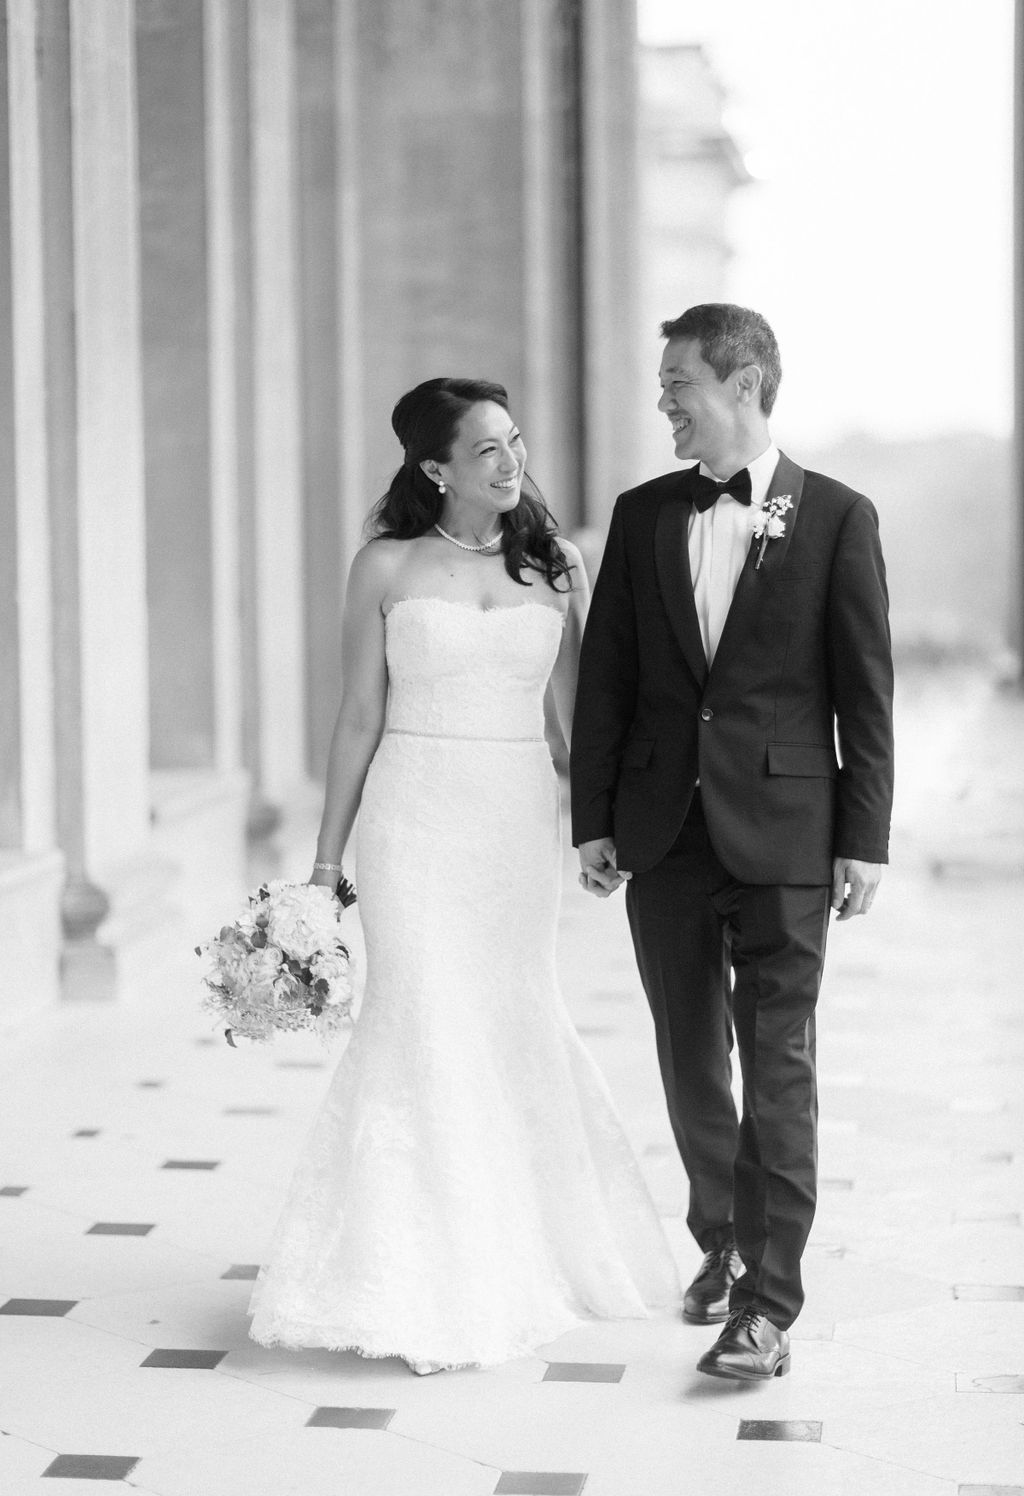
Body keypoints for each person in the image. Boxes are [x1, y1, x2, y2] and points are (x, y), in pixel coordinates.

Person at [248, 377, 680, 1373]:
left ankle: (520, 1245)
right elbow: (357, 716)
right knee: (422, 1021)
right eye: (486, 448)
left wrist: (596, 829)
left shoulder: (553, 565)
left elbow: (578, 723)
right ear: (434, 468)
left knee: (511, 1013)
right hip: (412, 819)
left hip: (513, 823)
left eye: (514, 440)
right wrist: (324, 864)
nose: (510, 460)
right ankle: (422, 1273)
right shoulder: (385, 567)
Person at [570, 304, 894, 1381]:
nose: (663, 401)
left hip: (789, 836)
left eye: (679, 384)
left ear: (744, 381)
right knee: (687, 1056)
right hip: (662, 834)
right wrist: (596, 821)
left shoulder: (838, 517)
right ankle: (722, 1236)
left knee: (780, 1064)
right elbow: (610, 678)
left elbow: (865, 691)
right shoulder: (643, 512)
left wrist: (865, 839)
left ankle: (766, 1306)